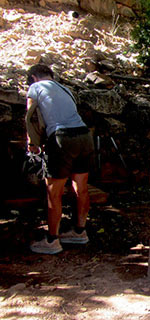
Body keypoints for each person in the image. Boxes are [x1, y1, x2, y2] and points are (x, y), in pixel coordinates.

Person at [25, 64, 95, 254]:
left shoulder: (35, 87)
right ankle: (80, 232)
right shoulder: (66, 89)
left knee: (53, 192)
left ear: (33, 77)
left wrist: (32, 144)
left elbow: (30, 116)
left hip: (62, 138)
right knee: (81, 187)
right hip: (84, 135)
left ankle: (52, 240)